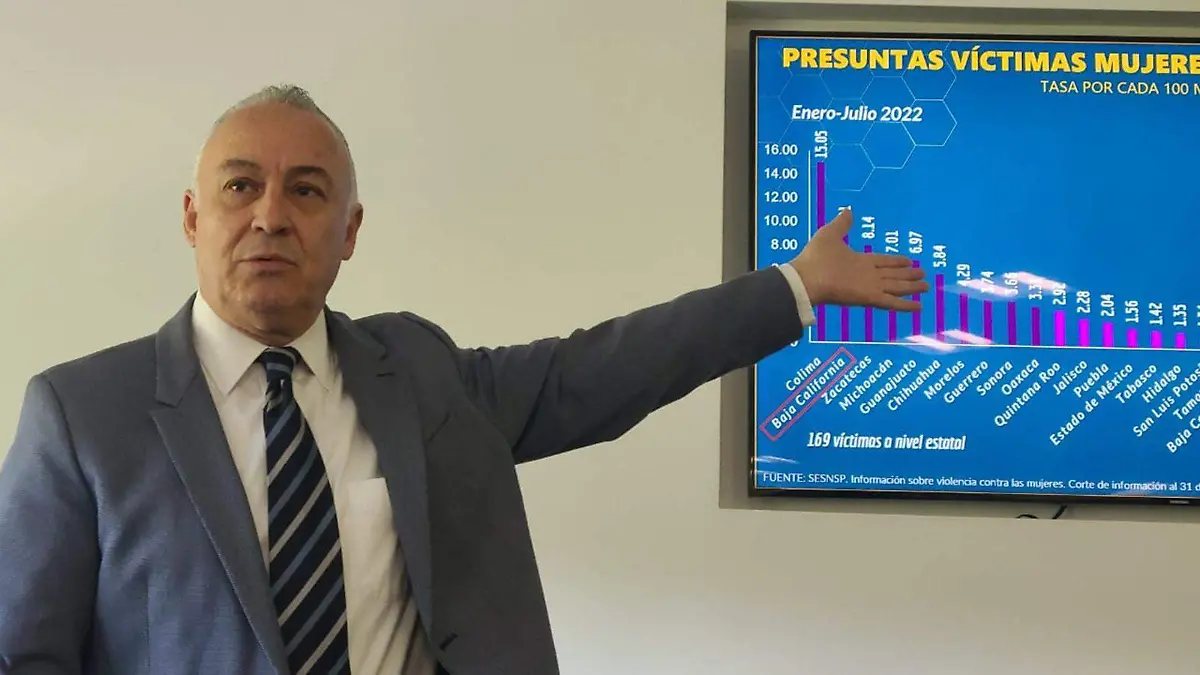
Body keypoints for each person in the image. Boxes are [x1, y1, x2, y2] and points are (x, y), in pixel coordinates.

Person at [0, 84, 926, 675]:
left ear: (350, 231)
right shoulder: (81, 415)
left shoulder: (420, 376)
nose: (272, 216)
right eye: (241, 186)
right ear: (193, 217)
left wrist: (793, 286)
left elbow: (599, 369)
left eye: (307, 190)